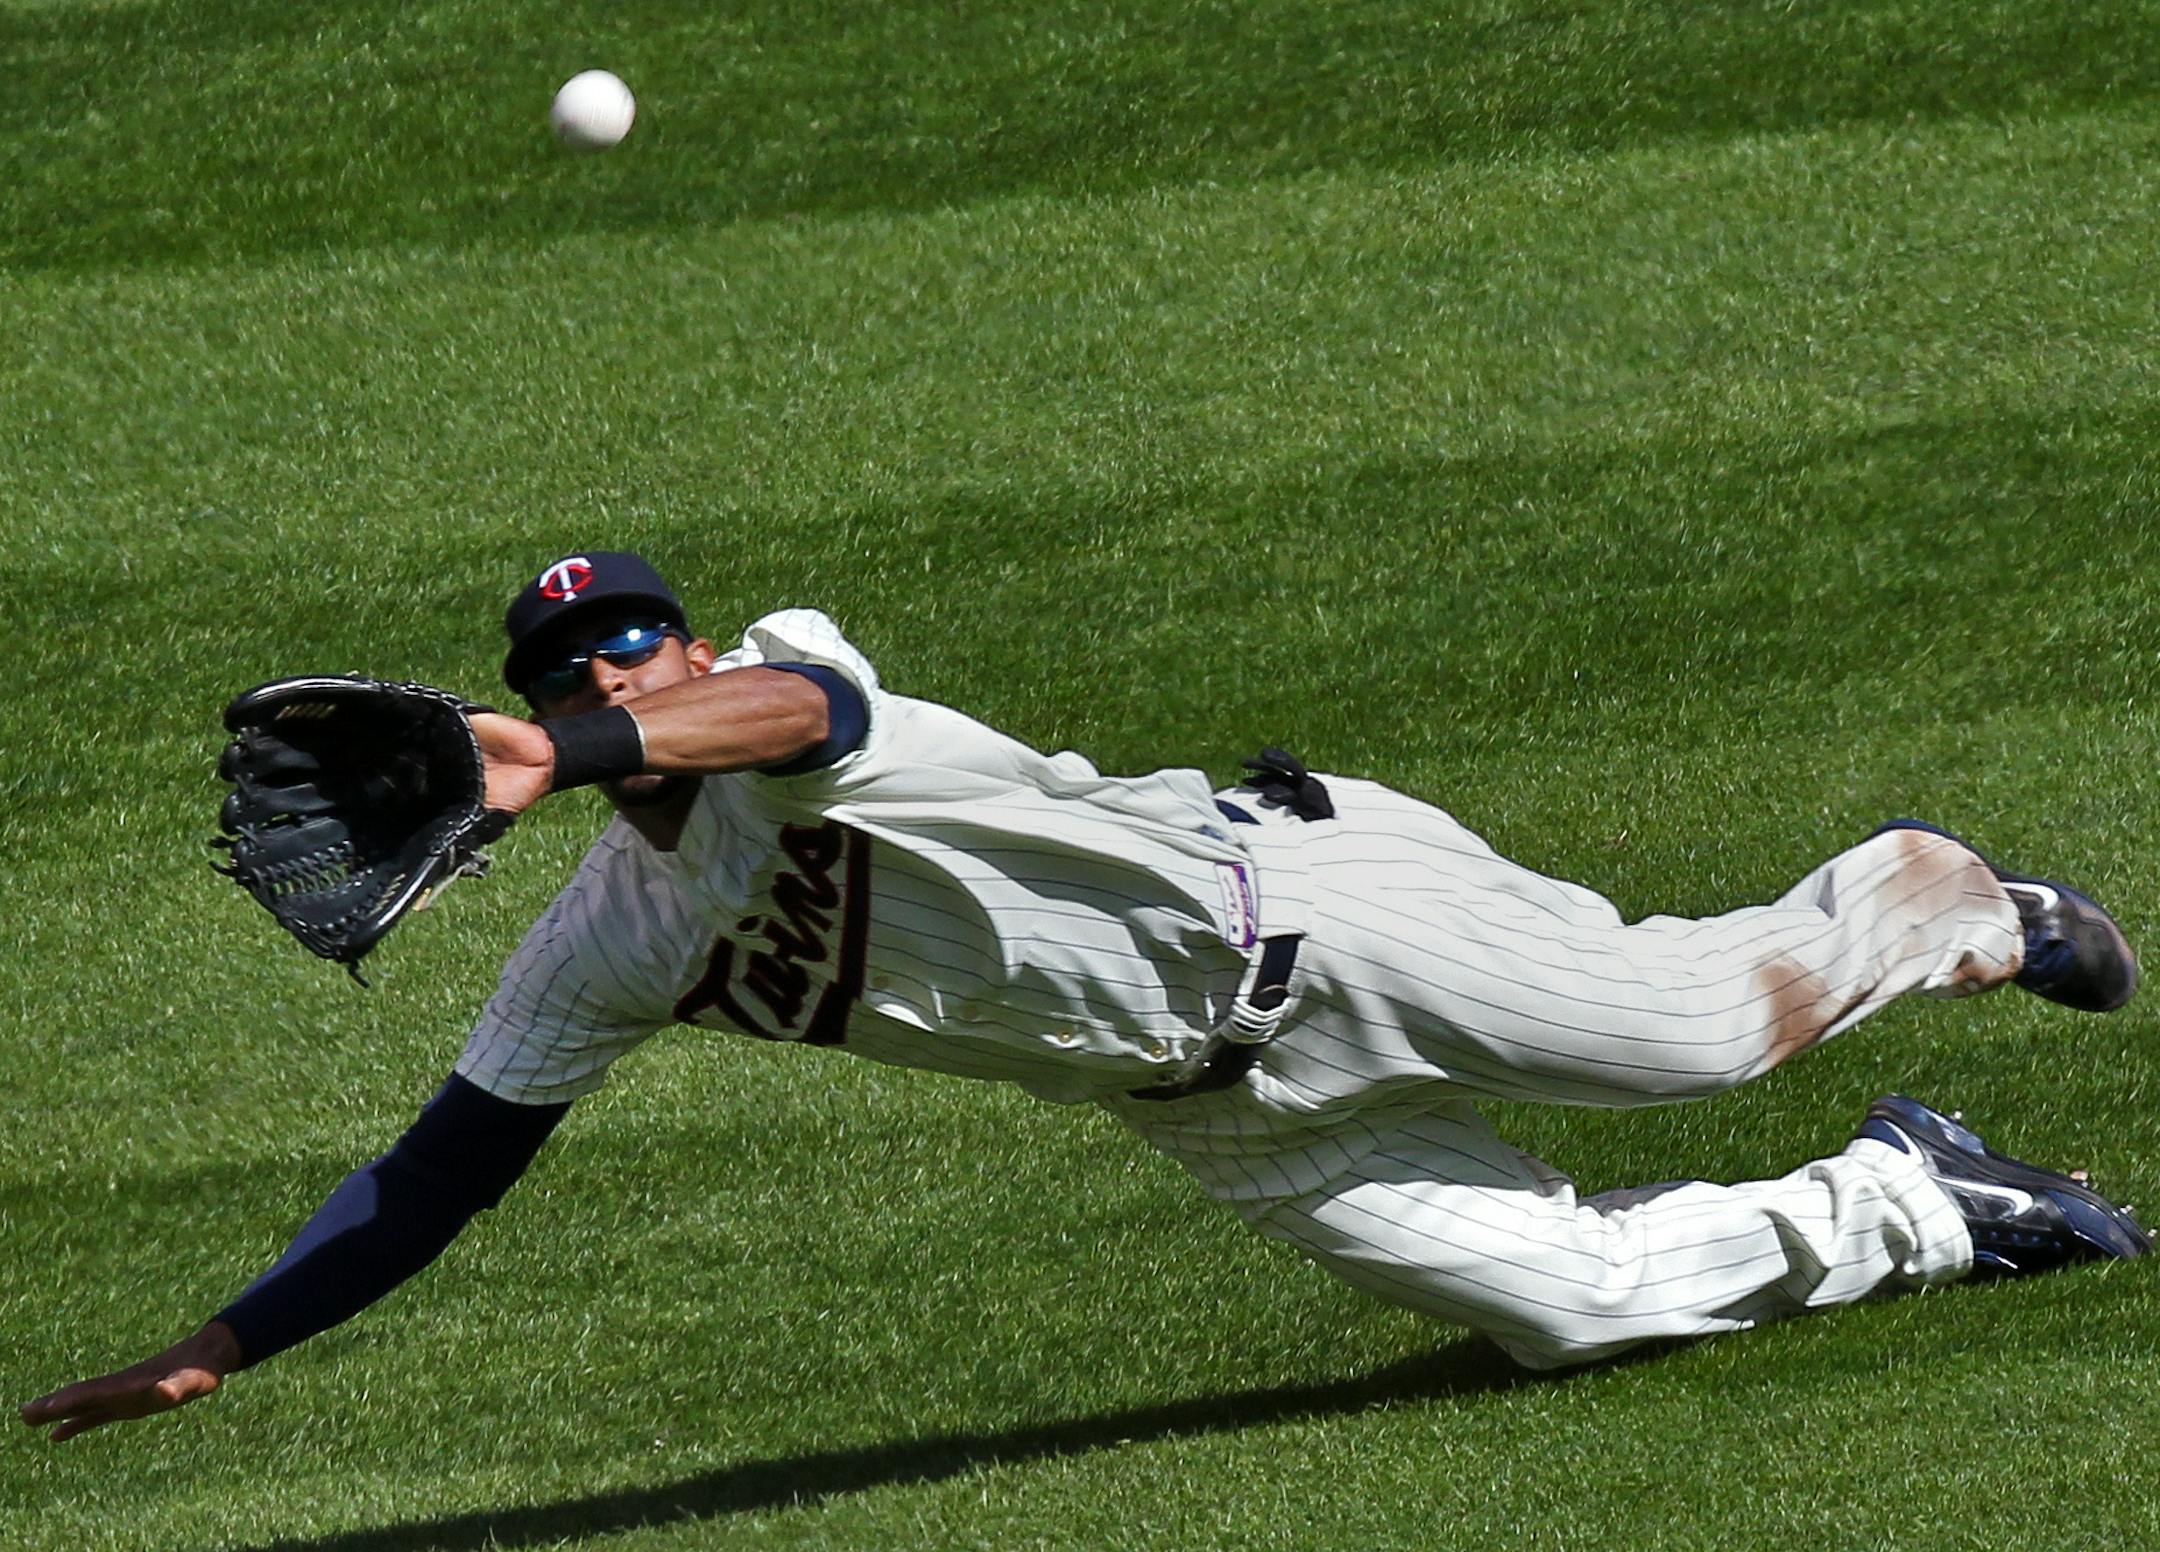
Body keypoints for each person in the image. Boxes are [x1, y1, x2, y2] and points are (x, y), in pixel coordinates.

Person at [21, 550, 2148, 1442]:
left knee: (1694, 1029)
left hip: (1319, 905)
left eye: (631, 652)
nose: (620, 679)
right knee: (1568, 1304)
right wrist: (215, 1347)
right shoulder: (613, 942)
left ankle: (1938, 894)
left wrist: (561, 749)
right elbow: (443, 1171)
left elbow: (784, 704)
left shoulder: (784, 682)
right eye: (571, 678)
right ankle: (1923, 1195)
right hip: (1212, 1096)